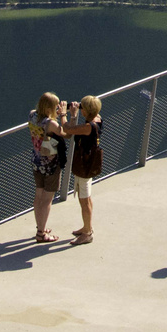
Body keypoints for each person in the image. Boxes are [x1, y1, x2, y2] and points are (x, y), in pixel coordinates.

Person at [28, 92, 69, 243]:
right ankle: (41, 233)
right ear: (49, 108)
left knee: (38, 196)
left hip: (37, 161)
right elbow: (66, 133)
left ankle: (40, 227)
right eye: (55, 106)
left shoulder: (32, 115)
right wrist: (64, 115)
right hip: (50, 164)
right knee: (47, 200)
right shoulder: (50, 123)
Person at [62, 95, 102, 244]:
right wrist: (80, 109)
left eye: (82, 107)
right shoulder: (97, 119)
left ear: (87, 111)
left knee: (84, 200)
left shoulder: (88, 127)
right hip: (88, 163)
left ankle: (87, 233)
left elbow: (68, 129)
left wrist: (65, 115)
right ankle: (87, 227)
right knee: (86, 197)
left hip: (85, 166)